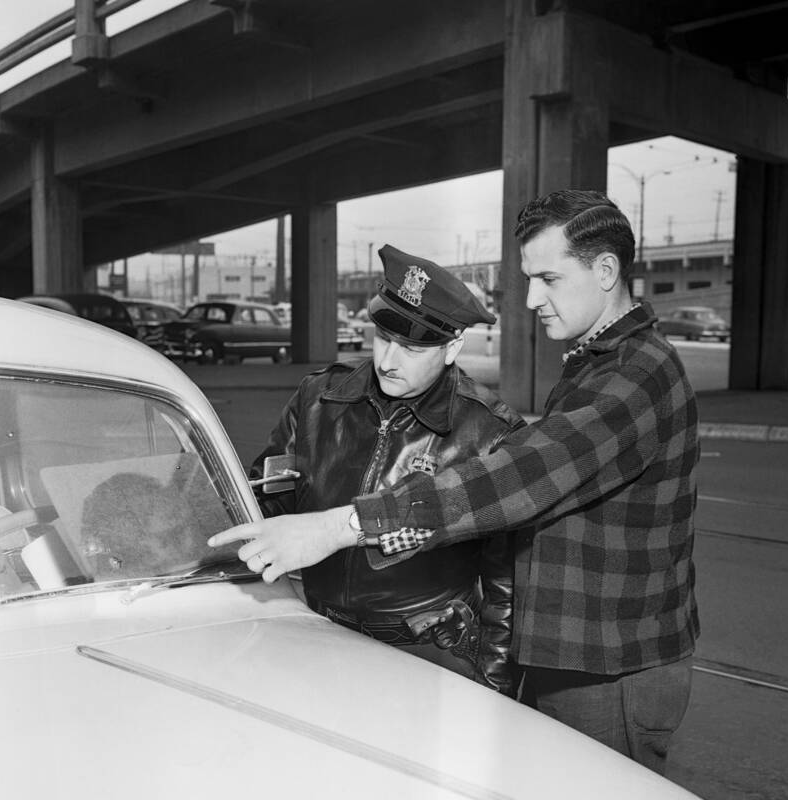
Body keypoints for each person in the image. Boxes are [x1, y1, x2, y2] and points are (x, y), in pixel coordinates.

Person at [210, 190, 700, 772]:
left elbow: (519, 479)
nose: (529, 298)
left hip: (605, 667)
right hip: (572, 656)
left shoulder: (635, 374)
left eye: (546, 277)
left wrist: (342, 525)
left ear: (605, 270)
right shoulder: (597, 362)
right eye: (527, 278)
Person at [245, 244, 526, 694]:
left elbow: (505, 586)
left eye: (412, 348)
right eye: (384, 339)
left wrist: (493, 687)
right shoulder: (320, 397)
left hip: (426, 657)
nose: (388, 361)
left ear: (453, 347)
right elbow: (268, 495)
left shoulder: (487, 431)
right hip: (317, 635)